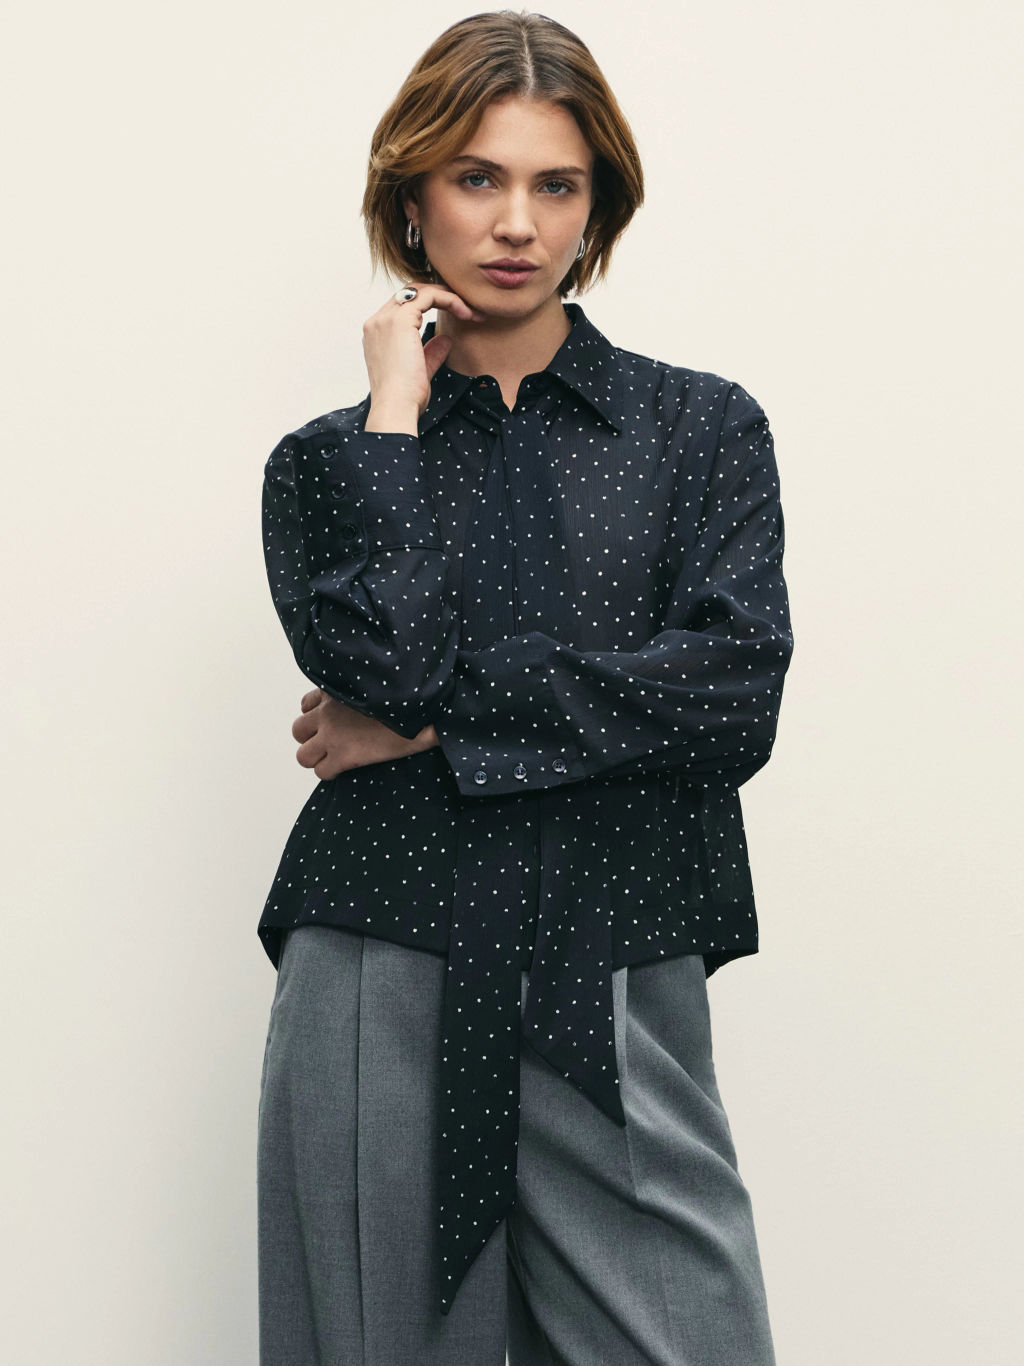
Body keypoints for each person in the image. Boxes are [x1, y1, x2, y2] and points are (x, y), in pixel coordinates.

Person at [256, 10, 794, 1365]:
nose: (516, 224)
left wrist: (437, 723)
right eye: (477, 178)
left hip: (612, 947)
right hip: (383, 946)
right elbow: (382, 665)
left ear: (597, 204)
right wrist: (393, 413)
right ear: (413, 196)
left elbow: (731, 696)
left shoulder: (700, 428)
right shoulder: (328, 461)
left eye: (556, 185)